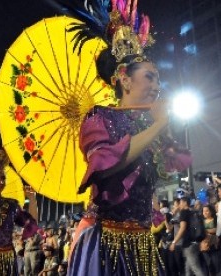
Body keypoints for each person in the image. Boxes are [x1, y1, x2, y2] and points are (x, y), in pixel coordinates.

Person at [63, 1, 192, 274]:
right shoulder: (98, 117)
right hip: (106, 243)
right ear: (124, 78)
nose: (157, 86)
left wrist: (161, 130)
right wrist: (157, 127)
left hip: (142, 243)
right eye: (150, 77)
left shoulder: (149, 123)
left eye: (158, 79)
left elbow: (179, 161)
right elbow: (104, 163)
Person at [169, 197, 206, 276]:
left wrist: (174, 242)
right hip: (196, 242)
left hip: (188, 244)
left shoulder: (184, 212)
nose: (180, 205)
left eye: (181, 203)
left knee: (196, 269)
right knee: (188, 269)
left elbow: (182, 228)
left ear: (185, 203)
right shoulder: (193, 211)